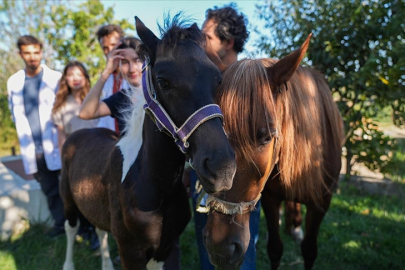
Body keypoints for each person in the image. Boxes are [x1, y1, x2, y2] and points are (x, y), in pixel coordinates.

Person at [186, 5, 260, 269]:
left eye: (207, 36)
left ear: (227, 42)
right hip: (203, 178)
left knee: (241, 254)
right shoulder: (205, 80)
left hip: (241, 185)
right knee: (207, 247)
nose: (199, 41)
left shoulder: (252, 82)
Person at [7, 35, 65, 237]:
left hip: (59, 144)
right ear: (20, 54)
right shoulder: (13, 82)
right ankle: (61, 227)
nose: (32, 57)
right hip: (35, 149)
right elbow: (15, 112)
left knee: (71, 187)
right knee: (50, 190)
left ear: (41, 52)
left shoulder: (56, 78)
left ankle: (84, 228)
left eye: (35, 52)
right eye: (27, 52)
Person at [51, 61, 100, 249]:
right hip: (75, 158)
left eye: (79, 74)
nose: (75, 79)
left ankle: (97, 230)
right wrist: (65, 163)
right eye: (71, 75)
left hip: (95, 155)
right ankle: (85, 230)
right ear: (65, 79)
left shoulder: (95, 98)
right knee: (77, 196)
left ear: (85, 77)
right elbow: (61, 136)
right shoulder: (61, 105)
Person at [95, 24, 125, 132]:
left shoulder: (135, 74)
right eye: (105, 48)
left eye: (113, 45)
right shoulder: (104, 79)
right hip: (111, 141)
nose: (110, 51)